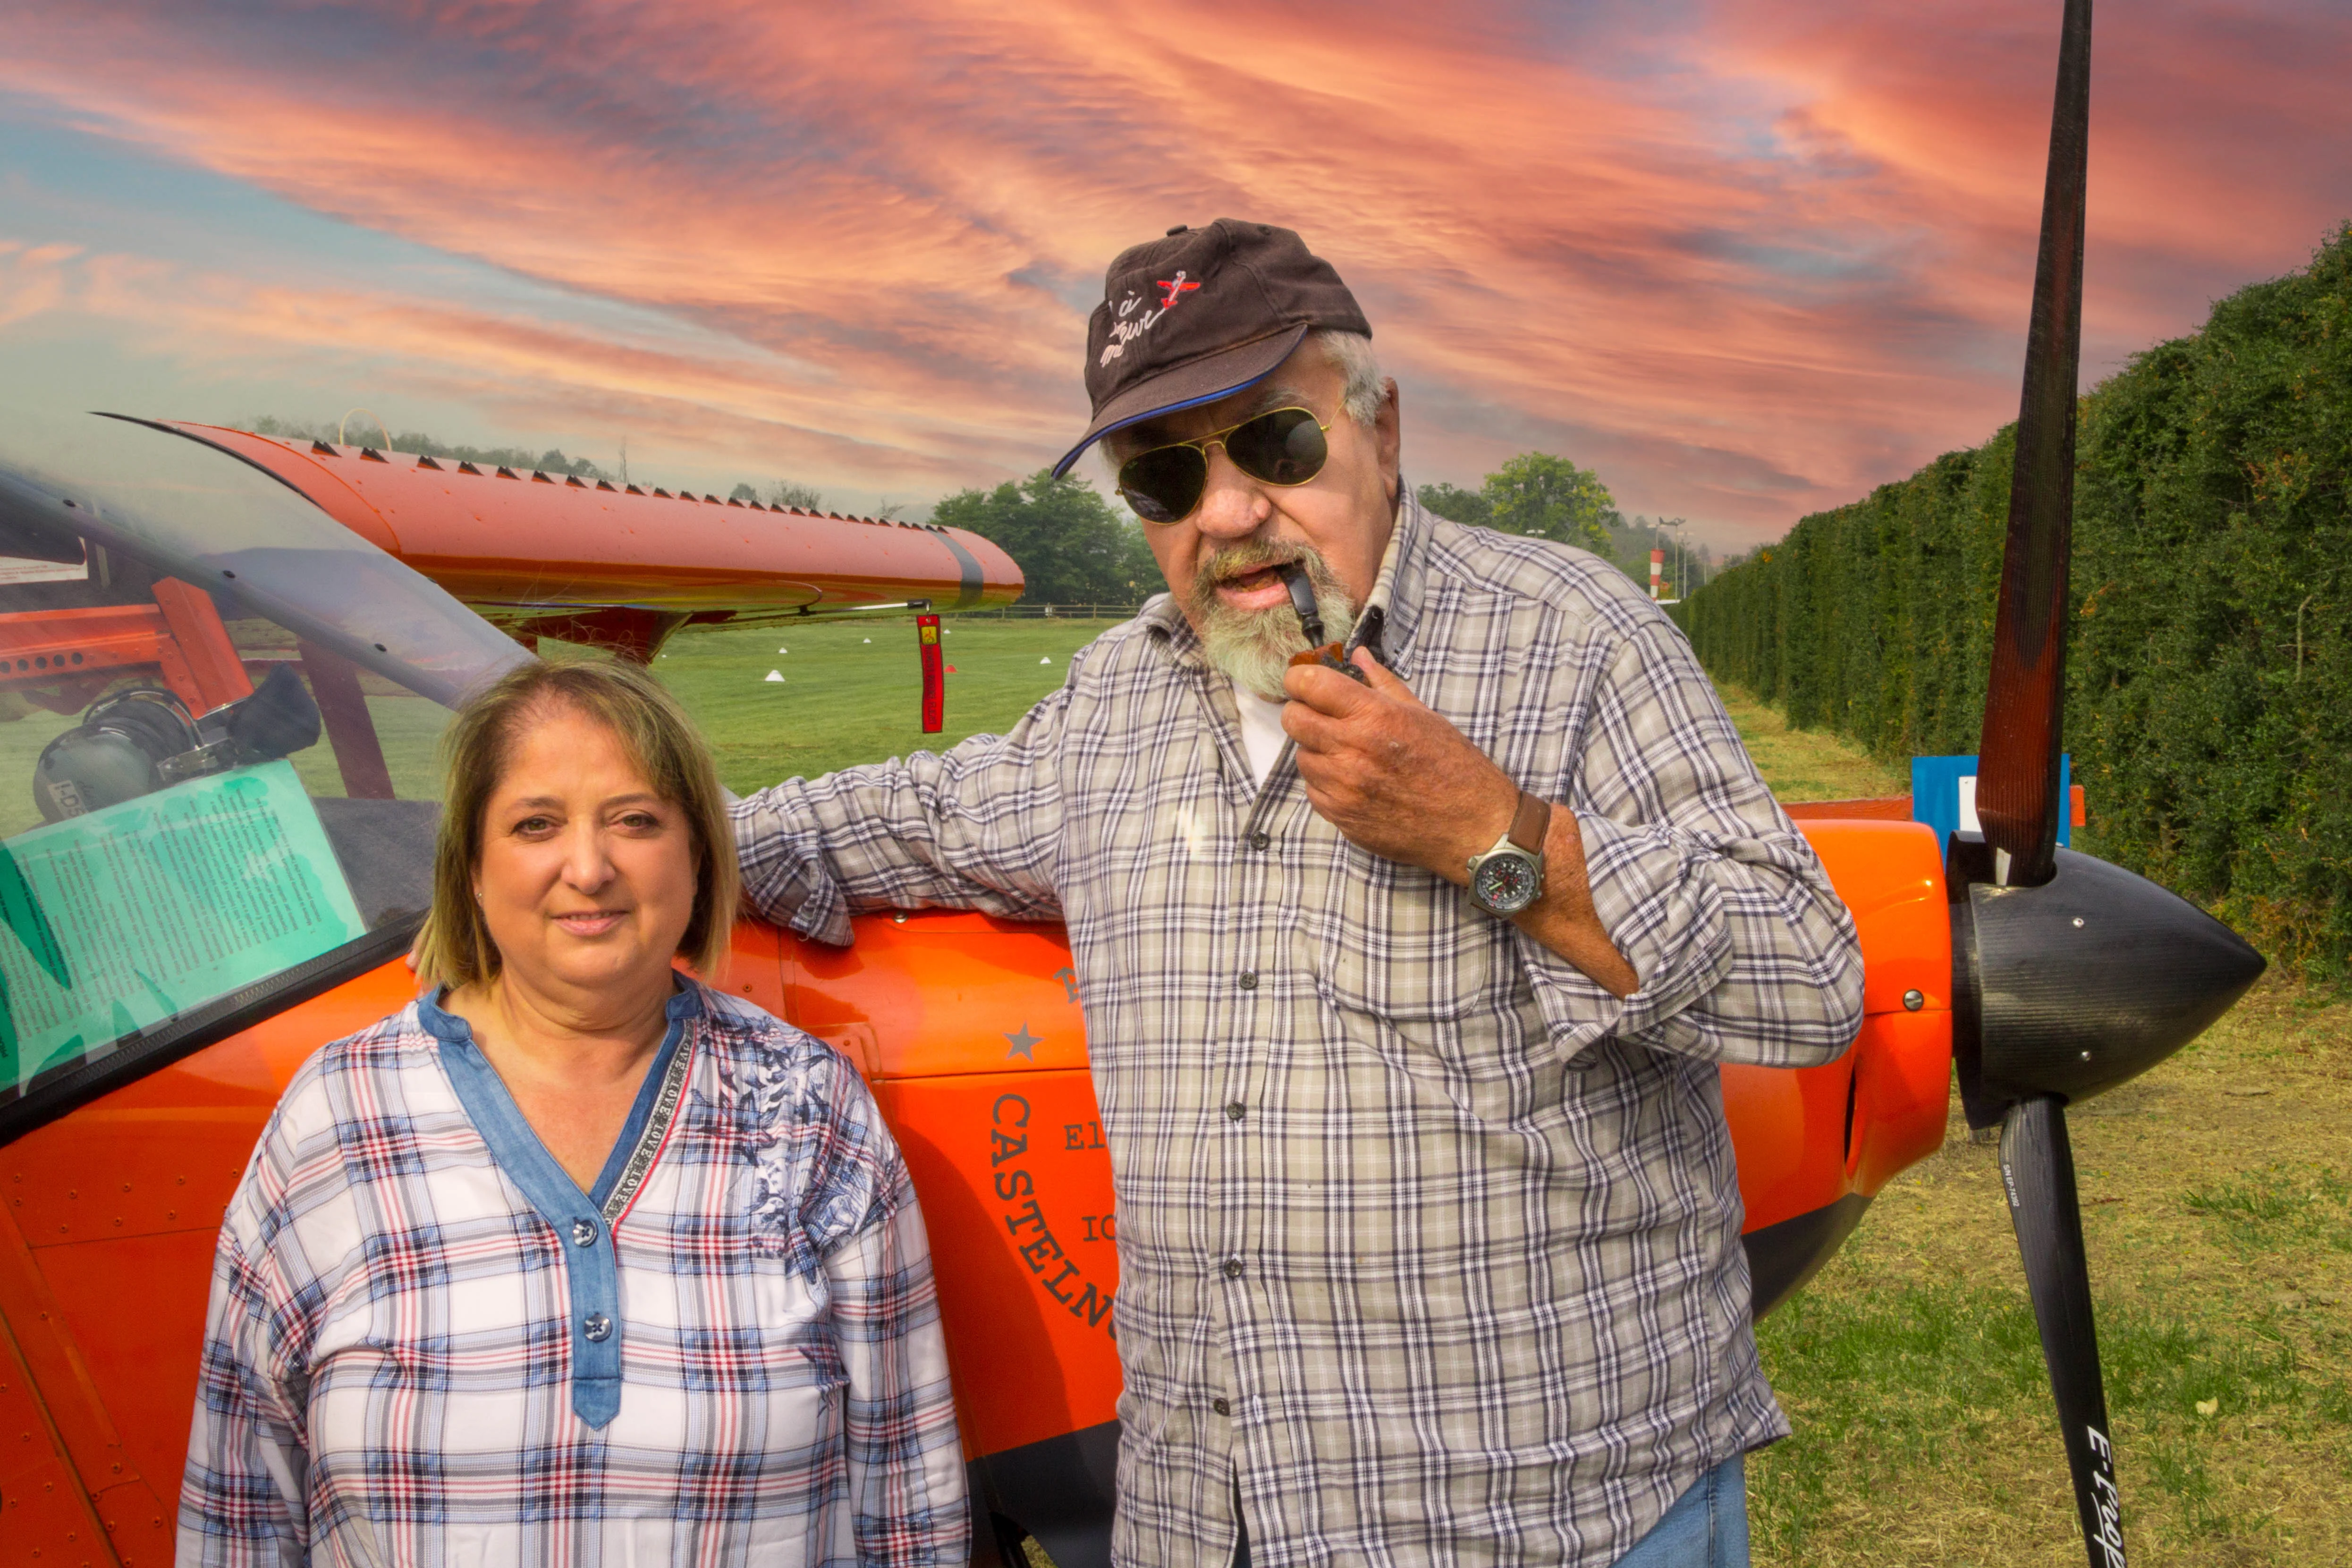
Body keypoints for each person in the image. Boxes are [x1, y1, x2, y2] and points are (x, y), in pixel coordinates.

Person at [731, 220, 1864, 1567]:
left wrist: (1489, 833)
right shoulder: (1113, 702)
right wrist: (610, 840)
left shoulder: (1575, 636)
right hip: (1203, 1522)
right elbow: (887, 821)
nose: (1223, 512)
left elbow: (1808, 974)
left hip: (1550, 1524)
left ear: (1381, 427)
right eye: (1162, 478)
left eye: (1272, 443)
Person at [179, 661, 967, 1566]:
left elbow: (906, 1507)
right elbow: (240, 1513)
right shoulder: (336, 1116)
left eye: (635, 821)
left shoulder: (807, 1105)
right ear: (471, 868)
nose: (588, 869)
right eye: (535, 825)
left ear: (697, 856)